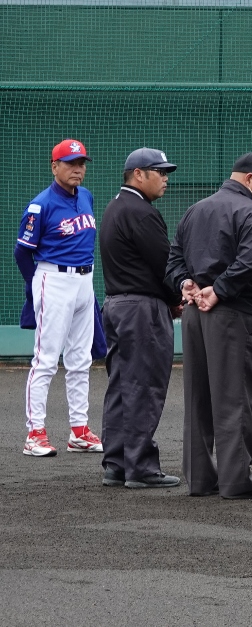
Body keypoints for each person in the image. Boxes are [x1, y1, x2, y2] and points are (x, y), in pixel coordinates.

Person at [165, 152, 252, 499]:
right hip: (232, 313)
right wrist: (218, 290)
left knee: (198, 397)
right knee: (235, 396)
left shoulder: (195, 209)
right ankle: (236, 479)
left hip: (193, 313)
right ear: (249, 178)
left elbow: (173, 258)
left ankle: (200, 479)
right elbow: (250, 260)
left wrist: (185, 283)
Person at [98, 148, 183, 489]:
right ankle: (141, 467)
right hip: (140, 310)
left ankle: (117, 464)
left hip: (116, 305)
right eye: (159, 172)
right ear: (138, 174)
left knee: (122, 385)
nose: (165, 178)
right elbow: (165, 265)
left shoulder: (115, 206)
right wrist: (176, 299)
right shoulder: (141, 211)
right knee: (144, 386)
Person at [15, 139, 103, 457]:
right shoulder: (40, 205)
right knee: (47, 360)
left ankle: (79, 431)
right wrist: (36, 287)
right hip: (52, 278)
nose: (77, 169)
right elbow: (22, 252)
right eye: (70, 163)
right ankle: (35, 433)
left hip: (84, 281)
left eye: (81, 163)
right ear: (54, 167)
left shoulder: (86, 196)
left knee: (81, 360)